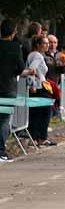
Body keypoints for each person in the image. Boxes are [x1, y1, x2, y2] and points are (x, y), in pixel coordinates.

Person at [23, 36, 54, 147]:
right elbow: (32, 69)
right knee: (44, 112)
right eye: (44, 43)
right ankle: (41, 137)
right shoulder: (37, 56)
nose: (47, 45)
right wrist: (32, 84)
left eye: (47, 43)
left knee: (36, 113)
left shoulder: (33, 54)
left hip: (38, 86)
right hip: (39, 88)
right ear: (38, 45)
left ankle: (36, 137)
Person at [0, 19, 23, 162]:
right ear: (14, 32)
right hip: (8, 87)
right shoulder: (15, 47)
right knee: (3, 120)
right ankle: (1, 151)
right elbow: (21, 68)